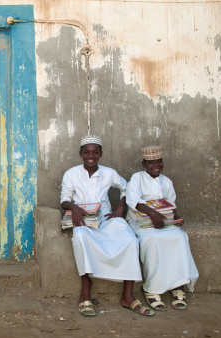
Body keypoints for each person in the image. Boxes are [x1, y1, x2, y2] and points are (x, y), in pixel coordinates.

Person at [60, 135, 154, 317]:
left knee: (130, 240)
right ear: (80, 153)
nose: (91, 156)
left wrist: (120, 208)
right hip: (84, 218)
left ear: (101, 153)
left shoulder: (109, 172)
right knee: (80, 237)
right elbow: (64, 199)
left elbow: (127, 188)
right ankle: (86, 288)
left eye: (95, 152)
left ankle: (127, 295)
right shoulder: (71, 174)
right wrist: (74, 207)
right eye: (86, 152)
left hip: (106, 216)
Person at [126, 146, 199, 311]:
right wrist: (152, 213)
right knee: (153, 240)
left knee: (180, 237)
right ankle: (152, 288)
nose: (156, 165)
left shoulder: (166, 181)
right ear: (144, 163)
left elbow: (171, 205)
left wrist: (176, 218)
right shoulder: (137, 178)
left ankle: (178, 286)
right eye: (151, 162)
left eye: (159, 161)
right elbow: (133, 200)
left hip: (164, 222)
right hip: (141, 223)